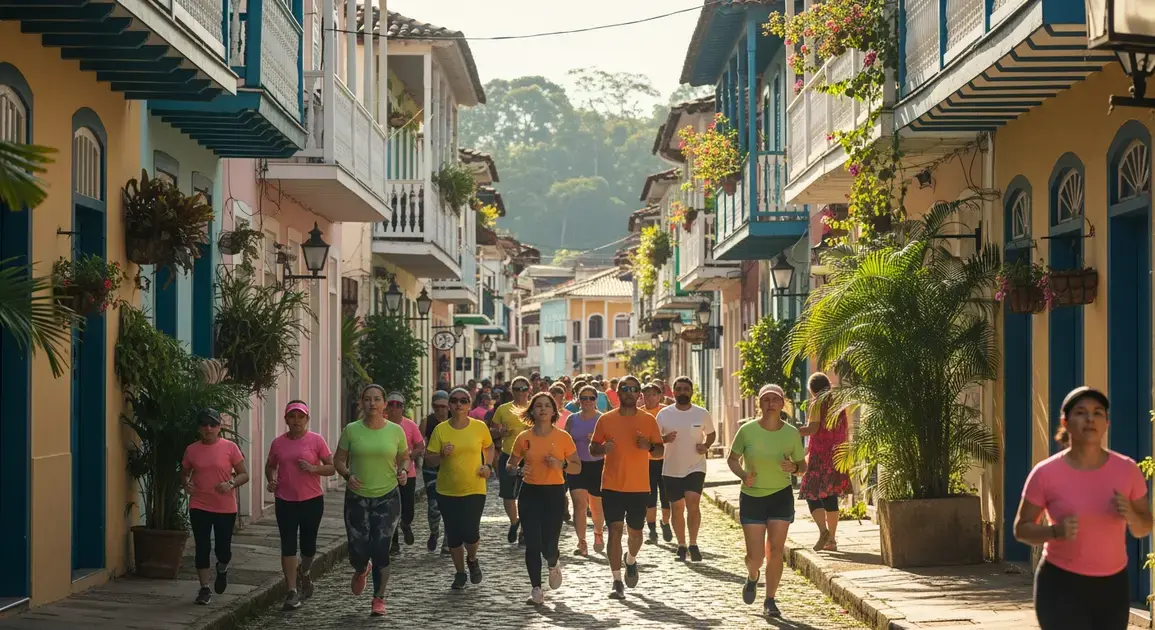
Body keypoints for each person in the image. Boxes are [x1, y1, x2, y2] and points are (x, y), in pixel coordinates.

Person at [1014, 386, 1152, 629]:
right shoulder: (1046, 473)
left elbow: (1144, 528)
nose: (1090, 419)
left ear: (1107, 423)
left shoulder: (1127, 470)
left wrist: (1131, 515)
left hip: (1113, 586)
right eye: (1080, 412)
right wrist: (1055, 532)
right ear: (1065, 422)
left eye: (1098, 413)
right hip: (1060, 584)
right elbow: (1021, 529)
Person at [728, 384, 806, 618]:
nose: (770, 403)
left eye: (775, 399)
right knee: (756, 557)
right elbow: (732, 459)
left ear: (783, 404)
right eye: (766, 399)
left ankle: (770, 599)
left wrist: (794, 467)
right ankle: (753, 576)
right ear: (759, 404)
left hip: (780, 495)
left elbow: (803, 466)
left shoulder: (791, 433)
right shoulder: (747, 431)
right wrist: (743, 475)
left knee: (775, 550)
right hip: (752, 497)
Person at [334, 384, 411, 617]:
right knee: (357, 550)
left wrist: (404, 472)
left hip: (387, 496)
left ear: (385, 404)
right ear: (361, 403)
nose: (372, 403)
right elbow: (338, 460)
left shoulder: (395, 431)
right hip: (357, 497)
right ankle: (360, 568)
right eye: (367, 399)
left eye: (377, 399)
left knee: (380, 549)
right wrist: (347, 475)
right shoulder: (351, 430)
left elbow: (405, 458)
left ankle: (378, 598)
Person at [590, 375, 665, 600]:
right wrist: (603, 449)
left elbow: (660, 451)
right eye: (625, 388)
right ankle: (616, 580)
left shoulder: (648, 421)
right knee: (614, 530)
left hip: (639, 486)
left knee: (636, 533)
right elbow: (593, 448)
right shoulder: (606, 420)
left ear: (639, 394)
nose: (629, 392)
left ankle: (630, 560)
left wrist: (649, 446)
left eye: (634, 389)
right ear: (619, 392)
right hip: (612, 485)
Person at [506, 392, 582, 604]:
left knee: (549, 543)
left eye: (547, 405)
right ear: (532, 410)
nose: (542, 409)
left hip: (554, 494)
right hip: (530, 493)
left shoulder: (562, 437)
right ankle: (536, 589)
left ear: (553, 411)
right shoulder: (524, 438)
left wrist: (561, 465)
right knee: (532, 544)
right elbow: (510, 464)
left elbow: (577, 467)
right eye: (538, 405)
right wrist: (516, 470)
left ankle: (553, 563)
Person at [265, 400, 335, 610]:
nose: (296, 421)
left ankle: (305, 572)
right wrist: (271, 479)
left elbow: (331, 468)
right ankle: (292, 591)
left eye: (300, 417)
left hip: (311, 501)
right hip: (285, 500)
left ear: (307, 419)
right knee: (287, 545)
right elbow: (270, 466)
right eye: (292, 417)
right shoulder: (278, 443)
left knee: (308, 546)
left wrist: (314, 469)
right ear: (286, 419)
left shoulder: (316, 440)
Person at [425, 387, 496, 589]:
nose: (458, 404)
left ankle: (472, 559)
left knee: (470, 531)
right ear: (449, 404)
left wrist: (488, 465)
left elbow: (489, 447)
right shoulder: (440, 430)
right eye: (454, 400)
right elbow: (429, 460)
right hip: (446, 490)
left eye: (463, 400)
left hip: (474, 487)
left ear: (469, 404)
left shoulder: (479, 427)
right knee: (454, 534)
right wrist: (441, 455)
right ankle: (460, 573)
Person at [182, 408, 249, 605]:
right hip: (199, 504)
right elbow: (184, 472)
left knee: (223, 549)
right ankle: (204, 588)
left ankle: (222, 568)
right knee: (202, 547)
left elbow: (244, 474)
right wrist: (186, 483)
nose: (208, 428)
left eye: (212, 424)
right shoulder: (191, 449)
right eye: (204, 424)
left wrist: (230, 483)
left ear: (219, 427)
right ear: (199, 428)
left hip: (225, 506)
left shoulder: (230, 448)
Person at [657, 376, 716, 562]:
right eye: (679, 389)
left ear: (691, 391)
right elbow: (655, 439)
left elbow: (712, 434)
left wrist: (706, 446)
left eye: (686, 389)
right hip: (671, 467)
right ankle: (681, 545)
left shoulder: (701, 413)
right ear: (673, 392)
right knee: (677, 508)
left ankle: (693, 543)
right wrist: (666, 440)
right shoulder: (664, 414)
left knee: (693, 504)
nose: (682, 392)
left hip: (695, 466)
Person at [797, 372, 851, 552]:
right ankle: (832, 540)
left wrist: (795, 431)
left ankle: (823, 531)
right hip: (837, 455)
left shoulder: (817, 402)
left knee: (810, 493)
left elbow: (813, 428)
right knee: (830, 497)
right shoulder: (839, 403)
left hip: (820, 456)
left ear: (812, 390)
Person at [566, 385, 606, 555]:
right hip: (577, 465)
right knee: (579, 504)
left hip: (597, 465)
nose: (587, 401)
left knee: (596, 506)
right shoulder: (572, 419)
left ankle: (598, 532)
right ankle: (581, 542)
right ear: (578, 400)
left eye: (591, 398)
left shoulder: (602, 419)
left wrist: (597, 441)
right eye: (583, 398)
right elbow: (565, 441)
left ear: (596, 400)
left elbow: (611, 443)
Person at [491, 376, 532, 544]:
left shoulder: (535, 407)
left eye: (524, 389)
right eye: (517, 389)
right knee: (508, 494)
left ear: (529, 389)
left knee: (527, 495)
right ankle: (514, 522)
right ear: (511, 390)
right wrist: (501, 433)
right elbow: (492, 430)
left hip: (530, 457)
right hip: (508, 455)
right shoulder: (503, 409)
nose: (521, 392)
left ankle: (524, 530)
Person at [385, 392, 425, 554]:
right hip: (387, 475)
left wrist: (409, 456)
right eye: (391, 404)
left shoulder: (410, 425)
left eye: (398, 405)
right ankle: (393, 543)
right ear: (386, 407)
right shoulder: (380, 425)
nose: (394, 408)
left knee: (407, 508)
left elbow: (420, 446)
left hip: (408, 474)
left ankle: (406, 524)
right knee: (390, 509)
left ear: (403, 408)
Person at [642, 382, 672, 544]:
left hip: (666, 460)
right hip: (646, 461)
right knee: (650, 497)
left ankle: (665, 523)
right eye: (646, 395)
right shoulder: (639, 414)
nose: (650, 398)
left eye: (653, 394)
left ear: (660, 396)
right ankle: (652, 530)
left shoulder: (667, 412)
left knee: (666, 496)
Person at [421, 390, 451, 552]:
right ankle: (434, 531)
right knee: (433, 505)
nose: (441, 410)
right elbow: (418, 444)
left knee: (449, 505)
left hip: (450, 468)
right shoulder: (427, 422)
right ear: (433, 407)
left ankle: (448, 540)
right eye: (437, 406)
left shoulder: (455, 423)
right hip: (431, 468)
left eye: (444, 406)